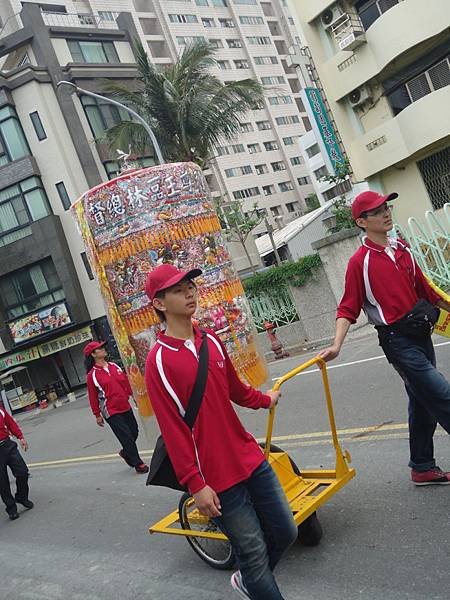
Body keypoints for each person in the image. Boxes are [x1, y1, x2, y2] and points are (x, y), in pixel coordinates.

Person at [144, 264, 297, 600]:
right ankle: (256, 582)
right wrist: (196, 484)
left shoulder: (211, 340)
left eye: (190, 286)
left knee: (286, 531)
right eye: (177, 289)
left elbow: (235, 389)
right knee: (253, 552)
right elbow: (172, 430)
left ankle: (249, 582)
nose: (189, 292)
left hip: (248, 456)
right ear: (159, 303)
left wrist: (264, 400)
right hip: (214, 476)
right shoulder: (158, 361)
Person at [320, 190, 450, 486]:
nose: (385, 213)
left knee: (422, 401)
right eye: (377, 211)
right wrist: (337, 344)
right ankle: (422, 465)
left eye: (386, 207)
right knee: (441, 394)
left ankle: (422, 466)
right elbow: (348, 306)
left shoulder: (401, 248)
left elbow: (427, 291)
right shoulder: (360, 262)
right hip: (397, 341)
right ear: (361, 222)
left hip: (421, 332)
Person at [84, 341, 149, 474]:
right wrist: (97, 414)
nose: (103, 350)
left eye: (102, 347)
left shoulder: (114, 366)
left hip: (124, 405)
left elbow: (126, 383)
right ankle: (138, 463)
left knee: (134, 431)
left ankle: (126, 452)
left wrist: (134, 397)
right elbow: (92, 396)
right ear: (93, 354)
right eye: (99, 349)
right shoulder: (92, 375)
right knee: (125, 436)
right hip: (110, 410)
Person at [0, 406, 33, 520]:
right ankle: (11, 508)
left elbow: (10, 423)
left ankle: (22, 497)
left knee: (23, 472)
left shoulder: (1, 410)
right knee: (2, 482)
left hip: (8, 445)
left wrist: (20, 437)